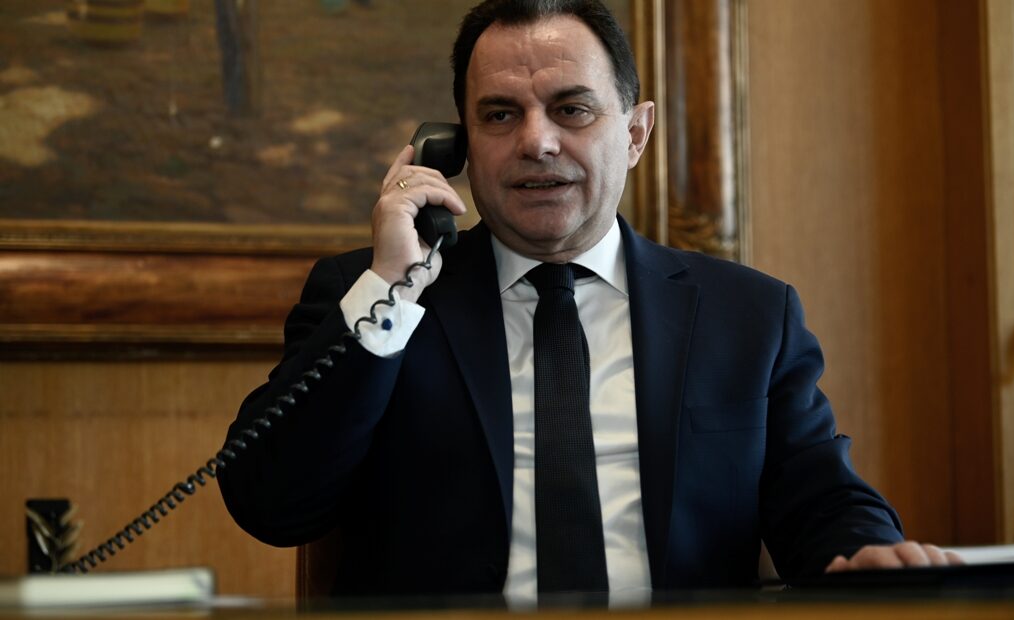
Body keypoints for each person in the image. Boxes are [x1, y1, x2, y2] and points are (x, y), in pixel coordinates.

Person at [218, 0, 959, 607]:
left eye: (571, 109)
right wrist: (392, 290)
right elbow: (271, 505)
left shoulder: (747, 317)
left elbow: (822, 501)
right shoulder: (376, 295)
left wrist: (867, 553)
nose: (536, 142)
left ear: (635, 133)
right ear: (456, 145)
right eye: (499, 115)